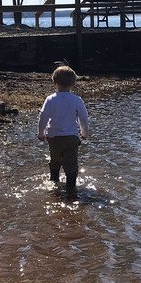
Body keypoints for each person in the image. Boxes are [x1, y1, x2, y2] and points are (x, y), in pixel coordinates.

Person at [37, 65, 90, 194]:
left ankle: (54, 183)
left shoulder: (50, 99)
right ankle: (71, 190)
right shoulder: (77, 100)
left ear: (55, 83)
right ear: (73, 84)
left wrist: (41, 133)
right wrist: (84, 133)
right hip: (71, 137)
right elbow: (83, 118)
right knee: (71, 165)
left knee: (55, 160)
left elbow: (43, 117)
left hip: (53, 137)